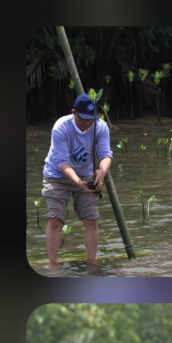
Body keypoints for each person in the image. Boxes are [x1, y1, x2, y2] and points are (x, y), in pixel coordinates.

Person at [42, 93, 112, 264]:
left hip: (85, 174)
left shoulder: (100, 127)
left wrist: (102, 171)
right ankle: (53, 265)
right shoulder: (61, 127)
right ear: (74, 112)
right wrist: (78, 183)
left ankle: (91, 262)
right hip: (57, 176)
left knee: (91, 220)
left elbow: (105, 154)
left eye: (91, 119)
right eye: (84, 119)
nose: (88, 123)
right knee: (55, 220)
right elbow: (62, 162)